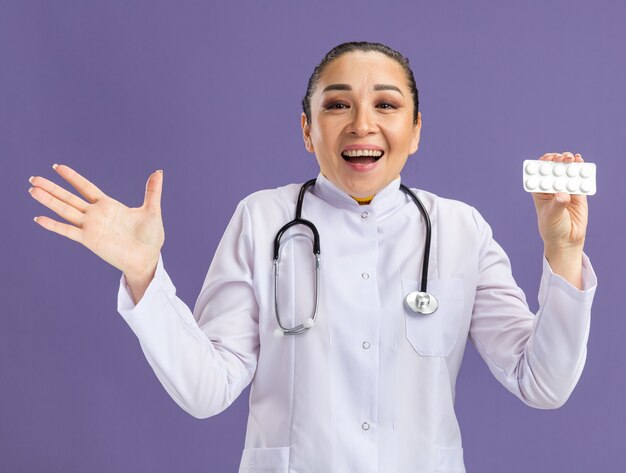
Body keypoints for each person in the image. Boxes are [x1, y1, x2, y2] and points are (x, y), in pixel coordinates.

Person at [29, 42, 596, 473]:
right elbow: (208, 390)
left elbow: (541, 382)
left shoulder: (460, 229)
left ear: (416, 130)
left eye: (386, 104)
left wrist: (563, 250)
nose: (362, 124)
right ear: (307, 129)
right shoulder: (262, 219)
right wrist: (143, 271)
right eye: (338, 104)